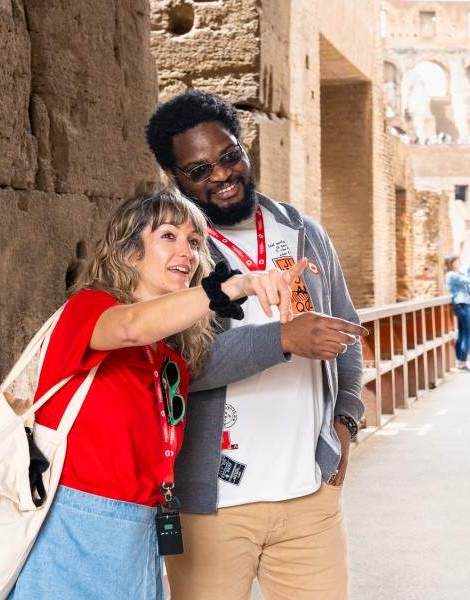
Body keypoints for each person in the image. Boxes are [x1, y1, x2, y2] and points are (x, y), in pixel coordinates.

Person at [8, 190, 303, 599]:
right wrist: (230, 289)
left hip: (142, 530)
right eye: (168, 236)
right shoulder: (88, 311)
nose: (187, 251)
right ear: (130, 253)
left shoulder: (170, 359)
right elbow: (130, 326)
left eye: (195, 242)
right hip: (74, 525)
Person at [145, 90, 368, 600]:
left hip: (309, 494)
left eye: (228, 156)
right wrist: (284, 339)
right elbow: (177, 367)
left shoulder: (303, 232)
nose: (221, 175)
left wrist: (347, 420)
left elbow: (347, 331)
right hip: (214, 506)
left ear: (244, 149)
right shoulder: (175, 254)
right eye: (199, 170)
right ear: (175, 178)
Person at [444, 254, 470, 372]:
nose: (459, 263)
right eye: (457, 261)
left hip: (460, 304)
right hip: (462, 304)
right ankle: (462, 362)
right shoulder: (452, 275)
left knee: (462, 333)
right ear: (452, 263)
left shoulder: (452, 274)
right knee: (467, 333)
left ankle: (459, 361)